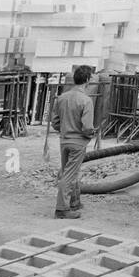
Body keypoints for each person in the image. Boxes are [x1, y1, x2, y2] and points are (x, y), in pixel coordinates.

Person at [51, 65, 97, 220]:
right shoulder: (86, 100)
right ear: (87, 80)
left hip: (64, 141)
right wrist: (91, 134)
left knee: (69, 172)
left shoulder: (62, 97)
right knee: (69, 175)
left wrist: (66, 129)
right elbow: (87, 127)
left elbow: (55, 123)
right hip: (78, 143)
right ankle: (62, 209)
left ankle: (74, 202)